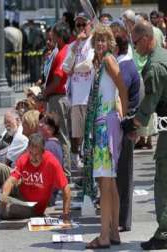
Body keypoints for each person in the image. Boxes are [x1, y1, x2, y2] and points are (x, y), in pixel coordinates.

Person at [131, 21, 167, 250]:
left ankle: (164, 233)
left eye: (136, 43)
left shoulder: (155, 65)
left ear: (146, 38)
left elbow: (149, 103)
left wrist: (133, 125)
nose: (135, 48)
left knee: (165, 180)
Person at [84, 24, 128, 249]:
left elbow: (122, 87)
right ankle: (113, 232)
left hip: (105, 127)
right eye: (97, 39)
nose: (100, 43)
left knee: (106, 183)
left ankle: (104, 236)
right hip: (103, 124)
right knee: (108, 183)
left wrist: (125, 116)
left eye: (104, 39)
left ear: (109, 42)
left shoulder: (109, 60)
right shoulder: (100, 63)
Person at [110, 19, 141, 232]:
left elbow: (122, 96)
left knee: (123, 175)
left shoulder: (124, 66)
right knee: (117, 174)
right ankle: (118, 217)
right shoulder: (121, 63)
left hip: (125, 125)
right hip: (121, 124)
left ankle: (123, 220)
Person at [62, 12, 95, 171]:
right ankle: (77, 160)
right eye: (78, 25)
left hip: (89, 95)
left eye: (84, 24)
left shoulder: (93, 42)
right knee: (76, 133)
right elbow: (64, 67)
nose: (81, 28)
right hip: (76, 96)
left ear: (90, 25)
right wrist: (75, 48)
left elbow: (88, 65)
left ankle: (89, 164)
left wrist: (73, 69)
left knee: (89, 133)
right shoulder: (74, 45)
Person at [44, 21, 71, 177]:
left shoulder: (63, 53)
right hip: (58, 96)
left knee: (61, 135)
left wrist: (45, 92)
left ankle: (65, 173)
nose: (52, 39)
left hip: (58, 98)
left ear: (59, 37)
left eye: (54, 36)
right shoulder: (63, 51)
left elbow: (57, 80)